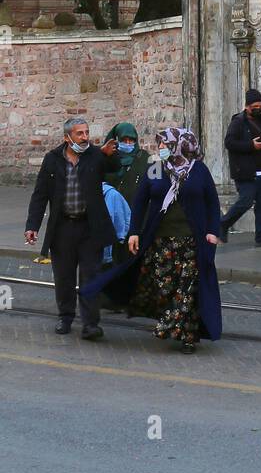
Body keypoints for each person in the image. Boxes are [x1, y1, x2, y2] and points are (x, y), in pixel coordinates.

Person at [82, 127, 222, 353]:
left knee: (187, 289)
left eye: (166, 145)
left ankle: (186, 335)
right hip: (159, 241)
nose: (161, 149)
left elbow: (212, 204)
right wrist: (134, 232)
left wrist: (213, 231)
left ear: (180, 146)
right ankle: (172, 321)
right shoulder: (157, 168)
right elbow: (141, 200)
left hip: (191, 241)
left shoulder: (198, 171)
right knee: (165, 286)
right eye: (160, 145)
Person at [25, 117, 120, 339]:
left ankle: (90, 324)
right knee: (64, 277)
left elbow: (115, 168)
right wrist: (32, 225)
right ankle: (65, 317)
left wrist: (109, 154)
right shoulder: (52, 160)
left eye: (87, 132)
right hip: (62, 228)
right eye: (80, 133)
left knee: (90, 276)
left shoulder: (95, 155)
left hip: (89, 228)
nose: (85, 137)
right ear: (67, 137)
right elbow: (40, 195)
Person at [220, 89, 261, 247]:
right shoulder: (238, 121)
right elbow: (229, 143)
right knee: (245, 201)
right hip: (246, 172)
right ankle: (223, 224)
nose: (258, 108)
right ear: (247, 106)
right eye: (255, 106)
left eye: (260, 105)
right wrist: (250, 145)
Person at [103, 121, 150, 208]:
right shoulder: (107, 159)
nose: (128, 143)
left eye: (131, 140)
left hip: (138, 209)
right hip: (113, 208)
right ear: (116, 140)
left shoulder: (143, 157)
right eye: (124, 140)